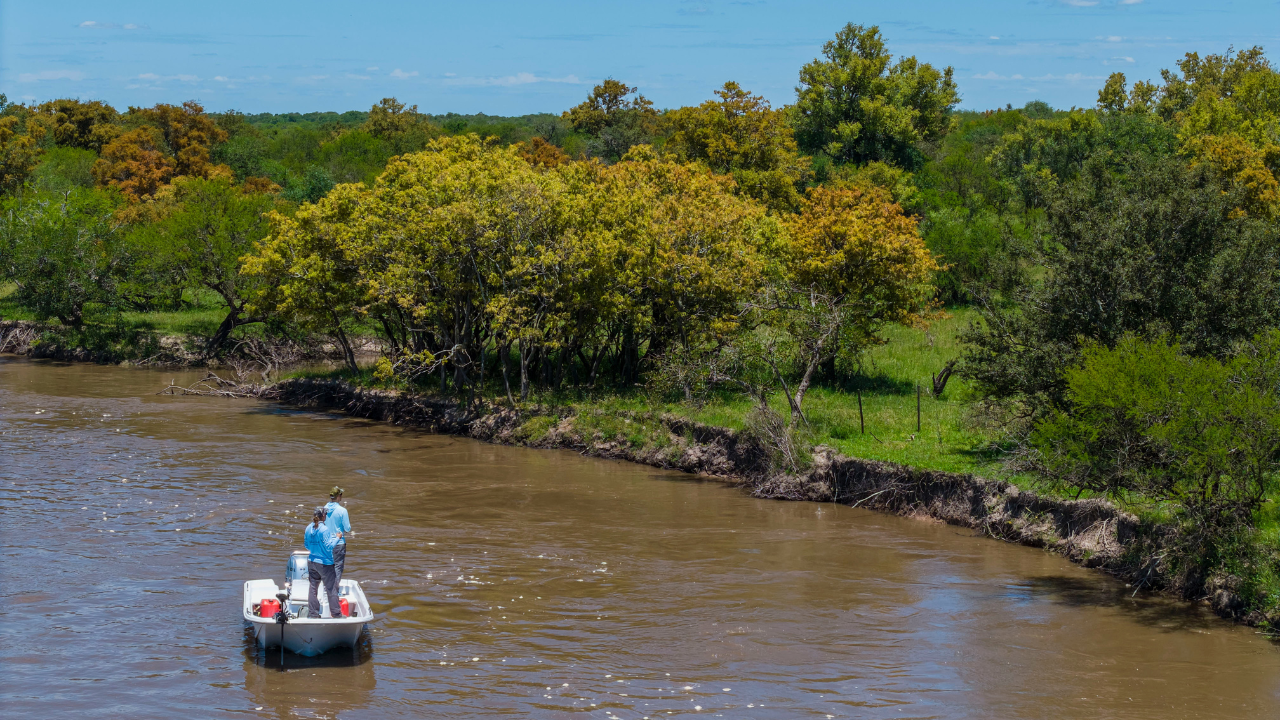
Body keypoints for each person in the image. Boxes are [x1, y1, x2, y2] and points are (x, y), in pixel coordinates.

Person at [304, 506, 344, 618]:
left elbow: (306, 545)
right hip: (325, 564)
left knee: (313, 588)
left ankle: (313, 614)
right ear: (323, 516)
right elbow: (329, 546)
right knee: (331, 588)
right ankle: (336, 614)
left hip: (312, 562)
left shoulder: (308, 528)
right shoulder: (324, 529)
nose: (326, 515)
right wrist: (337, 537)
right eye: (325, 514)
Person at [324, 486, 352, 586]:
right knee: (337, 567)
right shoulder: (342, 510)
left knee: (327, 567)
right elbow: (348, 528)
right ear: (339, 496)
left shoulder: (324, 509)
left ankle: (327, 589)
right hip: (339, 543)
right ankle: (334, 591)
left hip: (326, 542)